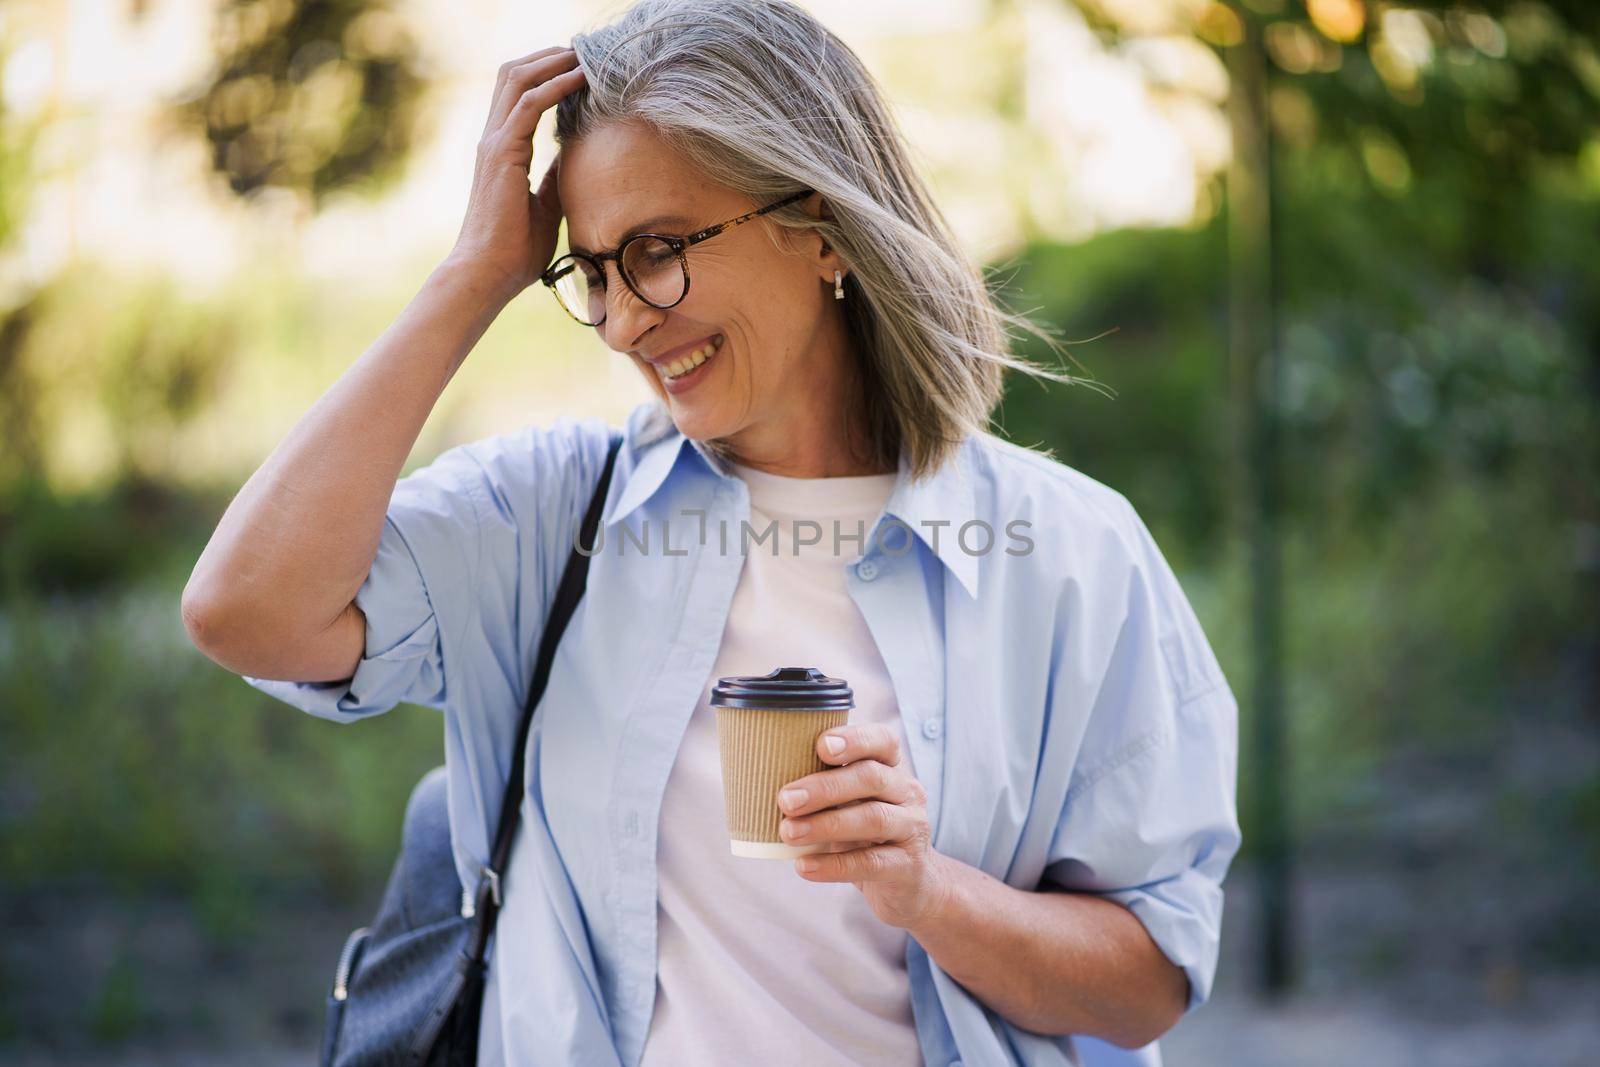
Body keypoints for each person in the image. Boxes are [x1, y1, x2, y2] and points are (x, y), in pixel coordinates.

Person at [180, 2, 1240, 1065]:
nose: (623, 318)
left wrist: (924, 888)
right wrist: (475, 276)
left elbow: (1147, 981)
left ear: (820, 224)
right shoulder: (554, 518)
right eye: (589, 271)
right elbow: (245, 612)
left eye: (655, 250)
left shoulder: (1069, 556)